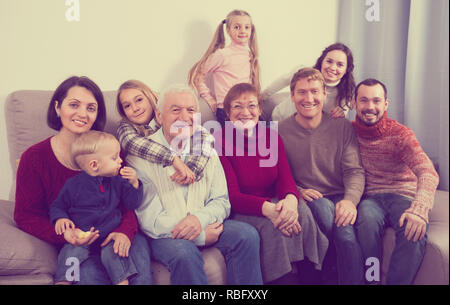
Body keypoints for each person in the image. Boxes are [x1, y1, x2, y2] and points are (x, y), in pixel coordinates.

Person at [14, 76, 151, 285]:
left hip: (116, 232)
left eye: (91, 108)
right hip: (77, 243)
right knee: (87, 277)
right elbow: (26, 216)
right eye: (74, 105)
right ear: (58, 107)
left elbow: (127, 204)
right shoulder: (34, 158)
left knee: (137, 276)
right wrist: (66, 234)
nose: (82, 114)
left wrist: (124, 231)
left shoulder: (109, 150)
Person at [127, 84, 263, 285]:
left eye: (191, 110)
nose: (184, 116)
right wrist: (199, 235)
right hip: (163, 236)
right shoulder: (139, 157)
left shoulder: (205, 148)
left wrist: (199, 220)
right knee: (184, 252)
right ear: (159, 115)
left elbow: (221, 201)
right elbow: (151, 220)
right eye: (175, 110)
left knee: (246, 235)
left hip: (205, 222)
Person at [215, 83, 329, 283]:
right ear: (227, 113)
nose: (245, 112)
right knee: (272, 227)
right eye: (237, 106)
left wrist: (292, 201)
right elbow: (231, 196)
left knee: (302, 213)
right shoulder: (219, 141)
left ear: (260, 110)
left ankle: (312, 277)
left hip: (274, 201)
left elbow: (285, 179)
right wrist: (269, 210)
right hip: (241, 209)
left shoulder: (271, 136)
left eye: (251, 106)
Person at [278, 68, 365, 285]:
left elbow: (354, 170)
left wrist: (349, 201)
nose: (309, 98)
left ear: (325, 94)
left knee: (345, 236)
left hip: (339, 196)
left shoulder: (341, 126)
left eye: (315, 92)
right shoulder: (278, 131)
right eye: (302, 92)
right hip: (304, 198)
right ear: (292, 96)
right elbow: (274, 176)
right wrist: (297, 191)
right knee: (325, 216)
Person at [352, 78, 439, 284]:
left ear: (386, 104)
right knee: (365, 223)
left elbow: (428, 171)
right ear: (354, 103)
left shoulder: (400, 134)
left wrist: (419, 209)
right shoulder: (347, 132)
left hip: (403, 195)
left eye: (376, 101)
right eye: (364, 100)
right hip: (371, 198)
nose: (370, 107)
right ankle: (371, 281)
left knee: (414, 229)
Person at [49, 131, 144, 285]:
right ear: (94, 165)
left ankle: (122, 281)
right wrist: (60, 218)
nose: (120, 161)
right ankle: (64, 281)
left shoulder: (117, 181)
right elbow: (58, 205)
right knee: (70, 252)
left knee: (114, 252)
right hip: (83, 235)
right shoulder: (73, 185)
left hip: (109, 235)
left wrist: (134, 183)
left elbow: (131, 204)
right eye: (114, 158)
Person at [116, 79, 214, 184]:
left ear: (151, 97)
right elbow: (131, 142)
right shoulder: (125, 127)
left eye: (139, 100)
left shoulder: (167, 114)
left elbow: (206, 137)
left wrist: (191, 170)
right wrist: (172, 158)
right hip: (149, 176)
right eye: (127, 106)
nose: (135, 108)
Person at [188, 9, 260, 126]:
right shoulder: (222, 55)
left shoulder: (249, 54)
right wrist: (208, 97)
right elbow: (198, 75)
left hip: (246, 109)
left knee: (257, 137)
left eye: (247, 27)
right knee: (234, 141)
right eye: (237, 27)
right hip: (227, 110)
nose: (242, 31)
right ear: (228, 30)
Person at [262, 43, 355, 121]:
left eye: (340, 65)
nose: (333, 68)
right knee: (267, 142)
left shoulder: (345, 92)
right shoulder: (303, 72)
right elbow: (283, 80)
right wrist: (261, 96)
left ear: (347, 69)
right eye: (329, 61)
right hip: (278, 119)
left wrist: (340, 114)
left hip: (303, 132)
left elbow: (340, 116)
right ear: (322, 61)